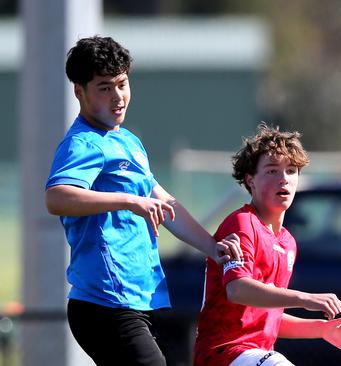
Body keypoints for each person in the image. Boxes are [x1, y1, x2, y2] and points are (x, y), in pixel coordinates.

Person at [45, 36, 242, 366]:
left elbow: (167, 206)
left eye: (122, 83)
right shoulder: (82, 143)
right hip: (104, 303)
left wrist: (213, 247)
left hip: (143, 298)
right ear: (79, 91)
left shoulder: (128, 142)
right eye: (104, 88)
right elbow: (57, 197)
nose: (118, 96)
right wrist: (128, 201)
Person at [193, 123, 341, 366]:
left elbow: (267, 316)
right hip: (224, 354)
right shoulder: (242, 224)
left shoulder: (288, 242)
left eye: (291, 171)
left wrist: (321, 329)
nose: (284, 179)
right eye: (272, 171)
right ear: (250, 180)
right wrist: (305, 299)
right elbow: (237, 290)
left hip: (255, 355)